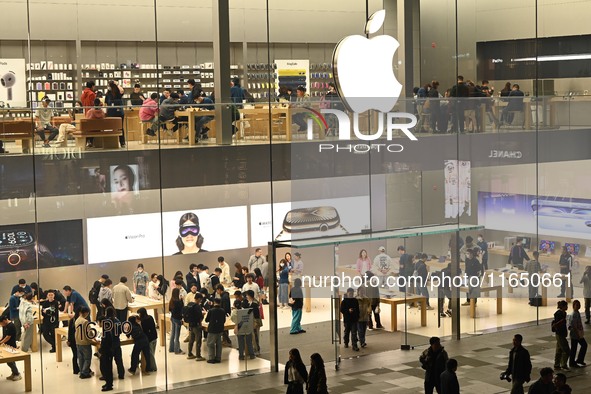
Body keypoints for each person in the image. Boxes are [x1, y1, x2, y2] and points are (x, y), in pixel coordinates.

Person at [75, 306, 98, 379]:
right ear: (86, 313)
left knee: (81, 358)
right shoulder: (85, 322)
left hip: (78, 341)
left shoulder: (77, 320)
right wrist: (94, 338)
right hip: (85, 342)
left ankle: (82, 371)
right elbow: (89, 332)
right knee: (87, 358)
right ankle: (85, 373)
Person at [0, 315, 22, 381]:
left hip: (11, 346)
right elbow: (4, 336)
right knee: (9, 362)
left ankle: (17, 374)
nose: (1, 325)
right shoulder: (5, 326)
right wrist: (1, 340)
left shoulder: (11, 326)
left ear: (4, 321)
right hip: (6, 345)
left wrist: (1, 342)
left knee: (11, 361)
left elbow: (8, 337)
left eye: (1, 323)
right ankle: (14, 373)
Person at [105, 80, 126, 147]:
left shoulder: (108, 94)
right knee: (120, 127)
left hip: (111, 113)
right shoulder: (118, 93)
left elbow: (106, 103)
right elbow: (122, 91)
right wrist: (117, 84)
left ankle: (112, 142)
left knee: (111, 127)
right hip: (120, 113)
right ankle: (122, 142)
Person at [185, 292, 205, 361]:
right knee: (198, 340)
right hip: (197, 325)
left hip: (190, 325)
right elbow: (200, 315)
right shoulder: (197, 306)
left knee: (191, 340)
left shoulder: (189, 304)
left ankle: (190, 354)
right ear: (199, 299)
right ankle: (198, 356)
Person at [97, 315, 115, 391]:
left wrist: (101, 349)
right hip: (107, 351)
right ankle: (108, 382)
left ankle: (109, 384)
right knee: (106, 367)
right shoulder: (106, 328)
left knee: (107, 368)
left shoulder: (107, 330)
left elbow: (107, 342)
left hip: (107, 352)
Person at [205, 298, 226, 363]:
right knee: (219, 344)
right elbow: (224, 320)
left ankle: (211, 358)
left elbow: (207, 320)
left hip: (212, 329)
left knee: (210, 344)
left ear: (214, 302)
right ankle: (218, 358)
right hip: (220, 329)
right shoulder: (222, 310)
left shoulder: (211, 311)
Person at [137, 307, 158, 371]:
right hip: (154, 337)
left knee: (150, 354)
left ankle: (153, 367)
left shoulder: (143, 321)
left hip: (149, 339)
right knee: (152, 353)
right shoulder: (150, 317)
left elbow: (144, 331)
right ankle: (150, 365)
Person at [568, 299, 587, 367]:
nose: (578, 306)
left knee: (577, 347)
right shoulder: (574, 314)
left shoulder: (577, 313)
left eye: (579, 305)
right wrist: (578, 334)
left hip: (578, 333)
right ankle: (573, 362)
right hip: (575, 334)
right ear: (573, 306)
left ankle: (578, 360)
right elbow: (573, 326)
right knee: (576, 347)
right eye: (577, 305)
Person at [553, 300, 571, 371]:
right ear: (563, 306)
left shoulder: (564, 313)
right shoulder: (559, 314)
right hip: (560, 333)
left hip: (561, 334)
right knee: (566, 350)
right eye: (566, 306)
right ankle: (563, 364)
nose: (567, 307)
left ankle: (557, 365)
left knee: (559, 350)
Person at [245, 289, 262, 356]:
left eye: (247, 295)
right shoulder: (251, 303)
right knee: (254, 337)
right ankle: (255, 348)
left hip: (255, 322)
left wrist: (255, 323)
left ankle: (257, 349)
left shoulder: (254, 304)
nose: (246, 296)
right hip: (252, 322)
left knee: (255, 337)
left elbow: (256, 315)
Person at [168, 287, 184, 355]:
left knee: (173, 334)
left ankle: (171, 348)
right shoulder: (178, 302)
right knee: (177, 335)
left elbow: (170, 309)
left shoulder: (171, 300)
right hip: (178, 319)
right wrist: (182, 301)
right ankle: (177, 350)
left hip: (173, 318)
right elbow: (181, 309)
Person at [66, 308, 80, 375]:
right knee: (77, 355)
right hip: (76, 340)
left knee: (75, 355)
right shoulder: (78, 321)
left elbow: (69, 332)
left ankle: (76, 369)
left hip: (72, 340)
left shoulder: (72, 320)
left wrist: (68, 340)